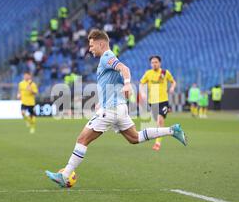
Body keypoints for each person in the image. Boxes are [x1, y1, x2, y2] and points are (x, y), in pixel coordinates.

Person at [45, 29, 187, 188]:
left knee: (82, 140)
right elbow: (112, 81)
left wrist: (127, 84)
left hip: (110, 110)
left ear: (101, 44)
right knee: (135, 138)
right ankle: (172, 130)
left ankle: (64, 176)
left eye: (92, 45)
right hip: (119, 109)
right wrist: (102, 100)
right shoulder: (106, 59)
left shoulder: (107, 56)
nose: (90, 48)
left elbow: (124, 68)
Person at [139, 55, 177, 151]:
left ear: (160, 63)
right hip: (153, 101)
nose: (154, 64)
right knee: (157, 123)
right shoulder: (148, 73)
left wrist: (172, 87)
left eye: (156, 62)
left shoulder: (165, 72)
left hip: (163, 101)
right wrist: (142, 92)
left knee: (160, 121)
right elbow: (141, 83)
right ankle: (167, 133)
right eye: (152, 62)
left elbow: (173, 82)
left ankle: (157, 143)